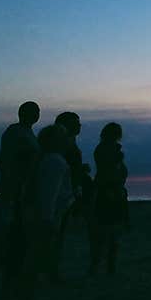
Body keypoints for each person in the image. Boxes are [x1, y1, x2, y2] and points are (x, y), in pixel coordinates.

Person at [19, 124, 73, 300]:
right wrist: (48, 220)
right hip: (44, 218)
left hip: (38, 216)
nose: (68, 140)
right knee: (35, 258)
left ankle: (27, 298)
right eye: (64, 137)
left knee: (33, 257)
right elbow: (49, 195)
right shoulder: (55, 162)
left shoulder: (46, 159)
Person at [0, 101, 40, 272]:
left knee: (11, 221)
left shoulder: (27, 132)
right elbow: (9, 160)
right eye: (34, 111)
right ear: (23, 113)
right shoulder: (15, 132)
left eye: (37, 111)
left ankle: (1, 256)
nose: (36, 114)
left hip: (20, 185)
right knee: (4, 221)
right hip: (13, 184)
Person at [53, 111, 93, 282]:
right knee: (55, 232)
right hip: (60, 193)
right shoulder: (62, 144)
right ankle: (51, 270)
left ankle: (53, 268)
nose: (79, 126)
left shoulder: (70, 142)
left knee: (59, 231)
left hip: (69, 191)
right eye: (76, 122)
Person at [90, 122, 128, 276]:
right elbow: (108, 171)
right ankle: (104, 266)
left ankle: (104, 266)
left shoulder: (105, 149)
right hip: (109, 190)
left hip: (111, 190)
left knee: (108, 231)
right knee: (108, 230)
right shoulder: (107, 150)